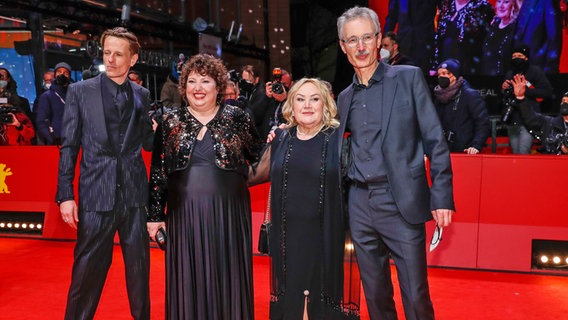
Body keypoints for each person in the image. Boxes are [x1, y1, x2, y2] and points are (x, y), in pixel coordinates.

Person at [336, 6, 455, 320]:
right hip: (360, 203)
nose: (360, 47)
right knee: (375, 297)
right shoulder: (344, 98)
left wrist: (441, 195)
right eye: (352, 40)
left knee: (415, 297)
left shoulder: (408, 77)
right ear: (342, 45)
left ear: (378, 41)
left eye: (366, 38)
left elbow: (435, 139)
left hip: (400, 198)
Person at [147, 53, 263, 319]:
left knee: (228, 276)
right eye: (191, 81)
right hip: (184, 218)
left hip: (229, 217)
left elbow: (259, 157)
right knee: (189, 278)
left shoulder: (237, 117)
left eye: (206, 81)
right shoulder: (169, 122)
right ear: (183, 87)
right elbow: (158, 172)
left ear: (219, 86)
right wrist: (154, 217)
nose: (198, 88)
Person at [56, 27, 154, 320]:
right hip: (97, 194)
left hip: (135, 197)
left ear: (133, 59)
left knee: (139, 273)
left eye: (118, 54)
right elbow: (69, 146)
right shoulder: (80, 92)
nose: (109, 60)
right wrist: (65, 195)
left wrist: (154, 130)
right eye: (106, 52)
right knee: (87, 272)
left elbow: (147, 143)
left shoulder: (142, 94)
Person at [249, 78, 361, 319]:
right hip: (287, 238)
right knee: (292, 294)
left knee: (321, 295)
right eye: (300, 99)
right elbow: (252, 174)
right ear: (291, 105)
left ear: (326, 104)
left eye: (314, 99)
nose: (307, 105)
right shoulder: (280, 139)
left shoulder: (339, 140)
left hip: (326, 236)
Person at [501, 45, 553, 154]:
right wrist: (504, 89)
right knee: (515, 154)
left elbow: (547, 92)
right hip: (513, 120)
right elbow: (504, 96)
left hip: (529, 121)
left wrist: (525, 91)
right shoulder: (510, 73)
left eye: (519, 56)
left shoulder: (535, 71)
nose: (516, 58)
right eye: (514, 56)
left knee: (523, 152)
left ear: (526, 58)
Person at [433, 59, 490, 154]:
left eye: (445, 73)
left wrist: (476, 145)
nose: (441, 77)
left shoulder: (470, 95)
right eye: (439, 74)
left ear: (454, 76)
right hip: (443, 150)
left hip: (465, 150)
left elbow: (482, 123)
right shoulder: (439, 97)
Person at [432, 0, 494, 75]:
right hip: (444, 65)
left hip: (469, 67)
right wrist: (435, 66)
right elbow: (438, 39)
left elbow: (487, 40)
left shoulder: (482, 7)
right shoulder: (446, 4)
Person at [512, 76, 568, 154]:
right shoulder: (549, 123)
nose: (565, 103)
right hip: (550, 164)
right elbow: (531, 117)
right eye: (563, 101)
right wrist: (520, 98)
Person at [383, 0, 439, 73]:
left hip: (424, 45)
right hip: (403, 44)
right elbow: (391, 17)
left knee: (421, 77)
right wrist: (384, 42)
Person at [512, 0, 562, 74]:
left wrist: (550, 73)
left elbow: (553, 37)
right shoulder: (524, 3)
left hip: (539, 71)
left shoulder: (547, 2)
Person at [480, 0, 523, 76]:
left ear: (514, 5)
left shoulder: (517, 29)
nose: (501, 6)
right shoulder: (493, 25)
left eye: (506, 2)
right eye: (499, 1)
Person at [36, 62, 72, 145]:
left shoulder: (75, 94)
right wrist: (52, 139)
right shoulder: (47, 96)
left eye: (65, 72)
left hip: (75, 140)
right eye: (59, 72)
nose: (62, 74)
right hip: (56, 141)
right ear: (55, 74)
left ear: (69, 76)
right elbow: (41, 121)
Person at [0, 68, 35, 146]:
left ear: (8, 79)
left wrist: (18, 125)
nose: (1, 77)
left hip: (16, 146)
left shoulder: (22, 103)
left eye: (3, 75)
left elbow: (30, 133)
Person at [260, 68, 292, 140]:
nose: (281, 87)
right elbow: (256, 117)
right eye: (278, 84)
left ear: (291, 85)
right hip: (266, 142)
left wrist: (285, 100)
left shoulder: (294, 101)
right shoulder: (269, 98)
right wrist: (266, 97)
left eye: (284, 84)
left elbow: (291, 122)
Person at [240, 64, 270, 131]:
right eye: (243, 80)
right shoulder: (247, 91)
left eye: (248, 81)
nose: (245, 83)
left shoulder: (262, 92)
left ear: (256, 79)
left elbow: (255, 115)